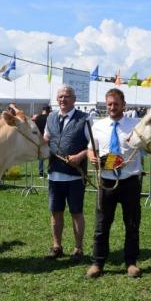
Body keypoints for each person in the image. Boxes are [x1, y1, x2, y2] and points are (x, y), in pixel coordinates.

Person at [86, 88, 143, 279]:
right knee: (102, 224)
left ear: (123, 104)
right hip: (106, 183)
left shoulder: (136, 125)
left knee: (132, 224)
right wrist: (93, 157)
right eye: (109, 104)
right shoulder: (97, 126)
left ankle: (131, 263)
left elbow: (148, 147)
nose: (112, 107)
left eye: (116, 104)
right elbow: (90, 149)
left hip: (130, 182)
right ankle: (98, 263)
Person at [43, 85, 90, 262]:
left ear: (74, 99)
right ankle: (57, 247)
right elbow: (46, 140)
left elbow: (93, 146)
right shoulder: (51, 118)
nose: (63, 99)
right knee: (56, 212)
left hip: (75, 176)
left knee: (76, 212)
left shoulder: (84, 119)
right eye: (60, 96)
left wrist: (79, 156)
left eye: (67, 96)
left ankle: (78, 248)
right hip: (54, 175)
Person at [33, 105, 51, 177]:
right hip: (48, 138)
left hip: (40, 139)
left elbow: (35, 130)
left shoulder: (37, 118)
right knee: (51, 156)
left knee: (41, 157)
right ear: (48, 110)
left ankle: (41, 173)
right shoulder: (49, 118)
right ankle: (50, 172)